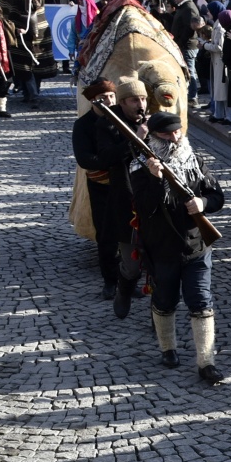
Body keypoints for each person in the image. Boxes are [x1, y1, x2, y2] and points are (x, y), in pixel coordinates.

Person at [127, 110, 228, 380]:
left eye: (178, 131)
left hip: (196, 245)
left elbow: (217, 195)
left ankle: (207, 362)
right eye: (167, 134)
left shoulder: (194, 160)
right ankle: (167, 347)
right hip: (161, 247)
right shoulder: (139, 167)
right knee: (165, 299)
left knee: (201, 301)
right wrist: (156, 179)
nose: (175, 138)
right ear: (155, 138)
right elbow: (145, 206)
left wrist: (203, 204)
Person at [71, 78, 134, 301]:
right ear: (92, 102)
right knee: (107, 236)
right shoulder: (83, 125)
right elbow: (86, 159)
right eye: (102, 98)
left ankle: (130, 278)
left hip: (129, 185)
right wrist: (116, 159)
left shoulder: (125, 119)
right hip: (102, 187)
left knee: (132, 234)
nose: (108, 101)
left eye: (111, 96)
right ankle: (110, 281)